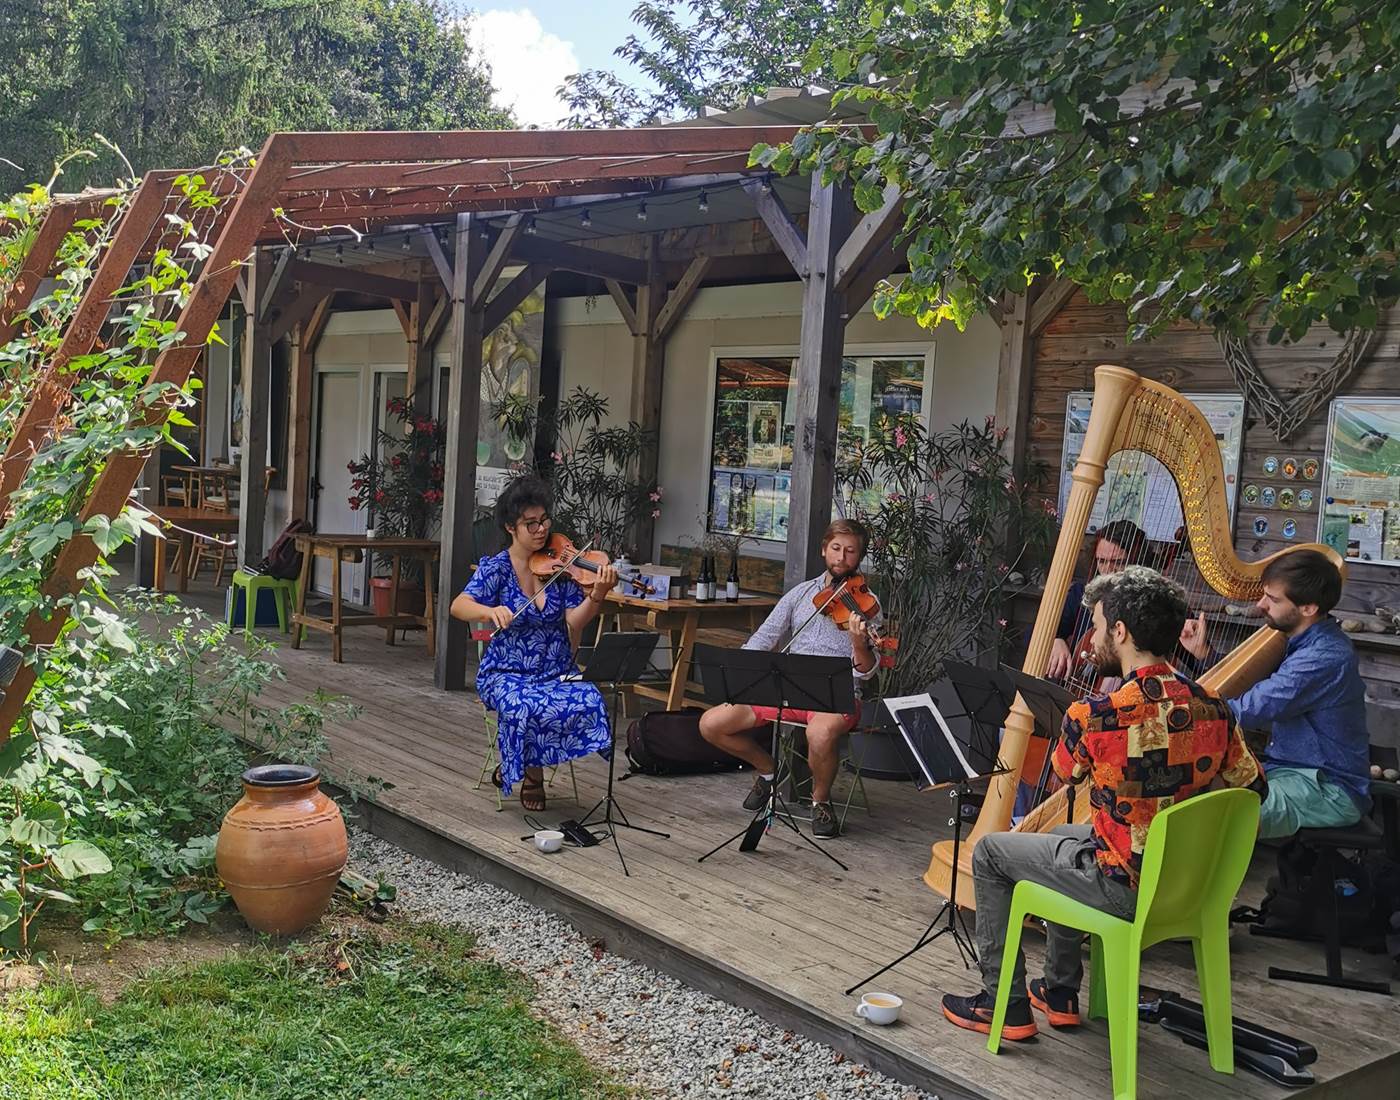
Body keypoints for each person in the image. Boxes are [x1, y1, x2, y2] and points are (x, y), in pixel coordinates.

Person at [942, 566, 1265, 1041]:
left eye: (1095, 627)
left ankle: (1003, 1004)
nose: (1092, 639)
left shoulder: (1098, 714)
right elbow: (1253, 787)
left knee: (991, 852)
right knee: (1060, 836)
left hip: (1124, 886)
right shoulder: (1213, 706)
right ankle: (1059, 992)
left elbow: (1063, 774)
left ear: (1120, 631)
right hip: (1188, 885)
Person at [698, 519, 879, 839]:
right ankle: (769, 772)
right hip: (785, 689)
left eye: (850, 552)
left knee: (820, 734)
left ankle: (820, 801)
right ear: (824, 549)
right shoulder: (801, 594)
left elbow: (867, 670)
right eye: (836, 548)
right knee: (711, 723)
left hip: (835, 696)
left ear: (859, 557)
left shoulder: (867, 604)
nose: (841, 557)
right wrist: (744, 669)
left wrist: (857, 642)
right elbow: (763, 638)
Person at [450, 477, 617, 812]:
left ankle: (515, 762)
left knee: (589, 698)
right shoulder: (496, 568)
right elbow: (459, 605)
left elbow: (573, 621)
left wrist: (597, 595)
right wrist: (490, 610)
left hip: (555, 669)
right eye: (531, 523)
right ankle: (532, 777)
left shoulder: (560, 567)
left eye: (544, 521)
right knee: (522, 704)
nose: (541, 529)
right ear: (512, 527)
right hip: (507, 672)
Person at [1181, 548, 1370, 838]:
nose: (1260, 605)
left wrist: (1175, 711)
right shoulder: (1304, 640)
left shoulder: (1322, 657)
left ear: (1308, 608)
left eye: (1272, 599)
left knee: (1209, 821)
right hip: (1290, 770)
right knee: (1184, 792)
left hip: (1326, 787)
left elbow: (1250, 708)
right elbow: (1257, 687)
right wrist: (1205, 655)